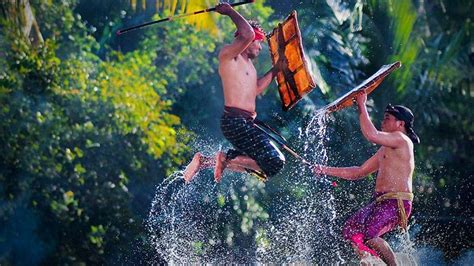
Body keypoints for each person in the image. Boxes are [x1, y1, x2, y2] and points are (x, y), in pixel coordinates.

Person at [313, 92, 420, 265]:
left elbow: (371, 135)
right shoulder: (385, 149)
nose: (383, 121)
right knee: (351, 229)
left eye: (387, 118)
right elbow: (359, 171)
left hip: (396, 202)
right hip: (380, 202)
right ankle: (369, 262)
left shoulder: (402, 140)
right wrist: (324, 170)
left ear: (400, 124)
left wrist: (361, 104)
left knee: (371, 234)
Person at [183, 2, 285, 183]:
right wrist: (229, 11)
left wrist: (276, 70)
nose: (260, 48)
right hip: (235, 122)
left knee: (263, 166)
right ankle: (221, 159)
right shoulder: (229, 55)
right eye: (258, 43)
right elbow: (248, 33)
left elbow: (256, 90)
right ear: (246, 42)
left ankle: (205, 161)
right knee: (274, 161)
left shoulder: (249, 67)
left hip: (245, 122)